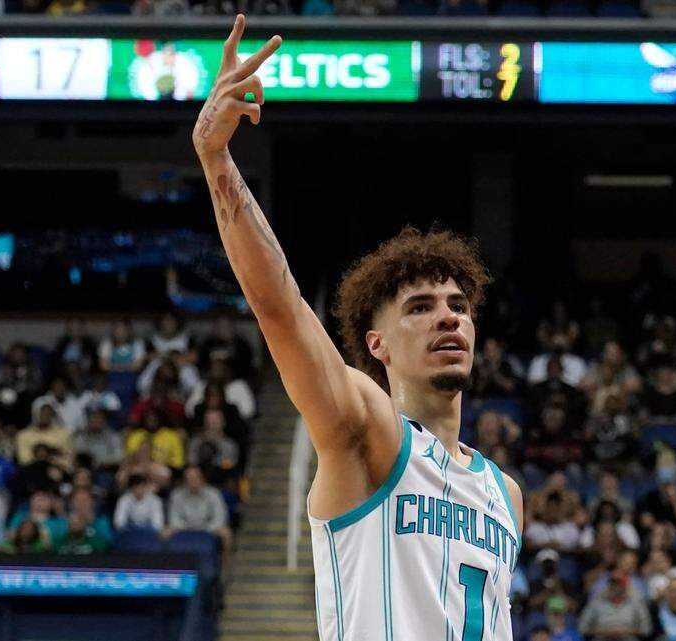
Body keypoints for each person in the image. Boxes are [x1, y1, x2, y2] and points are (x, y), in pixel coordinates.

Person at [192, 17, 521, 641]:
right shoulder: (367, 431)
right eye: (420, 307)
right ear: (377, 345)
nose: (448, 315)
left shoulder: (506, 494)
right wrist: (216, 161)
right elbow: (280, 306)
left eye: (458, 305)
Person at [165, 466, 231, 548]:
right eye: (189, 478)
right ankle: (171, 560)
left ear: (202, 479)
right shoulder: (176, 495)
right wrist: (185, 528)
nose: (192, 481)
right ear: (184, 481)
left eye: (195, 478)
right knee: (165, 532)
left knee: (226, 533)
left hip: (208, 528)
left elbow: (220, 518)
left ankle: (225, 561)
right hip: (184, 528)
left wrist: (205, 529)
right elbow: (174, 518)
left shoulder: (214, 494)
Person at [578, 570, 652, 641]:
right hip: (602, 638)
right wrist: (603, 632)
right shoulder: (596, 602)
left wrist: (626, 631)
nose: (615, 587)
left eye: (618, 584)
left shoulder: (636, 603)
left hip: (628, 638)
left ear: (625, 587)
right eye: (612, 584)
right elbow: (582, 628)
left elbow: (646, 629)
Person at [16, 402, 74, 470]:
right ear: (35, 414)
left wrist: (51, 460)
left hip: (58, 471)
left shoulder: (64, 433)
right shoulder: (23, 435)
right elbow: (24, 461)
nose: (45, 415)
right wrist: (53, 454)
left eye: (48, 412)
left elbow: (69, 459)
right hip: (33, 472)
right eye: (42, 412)